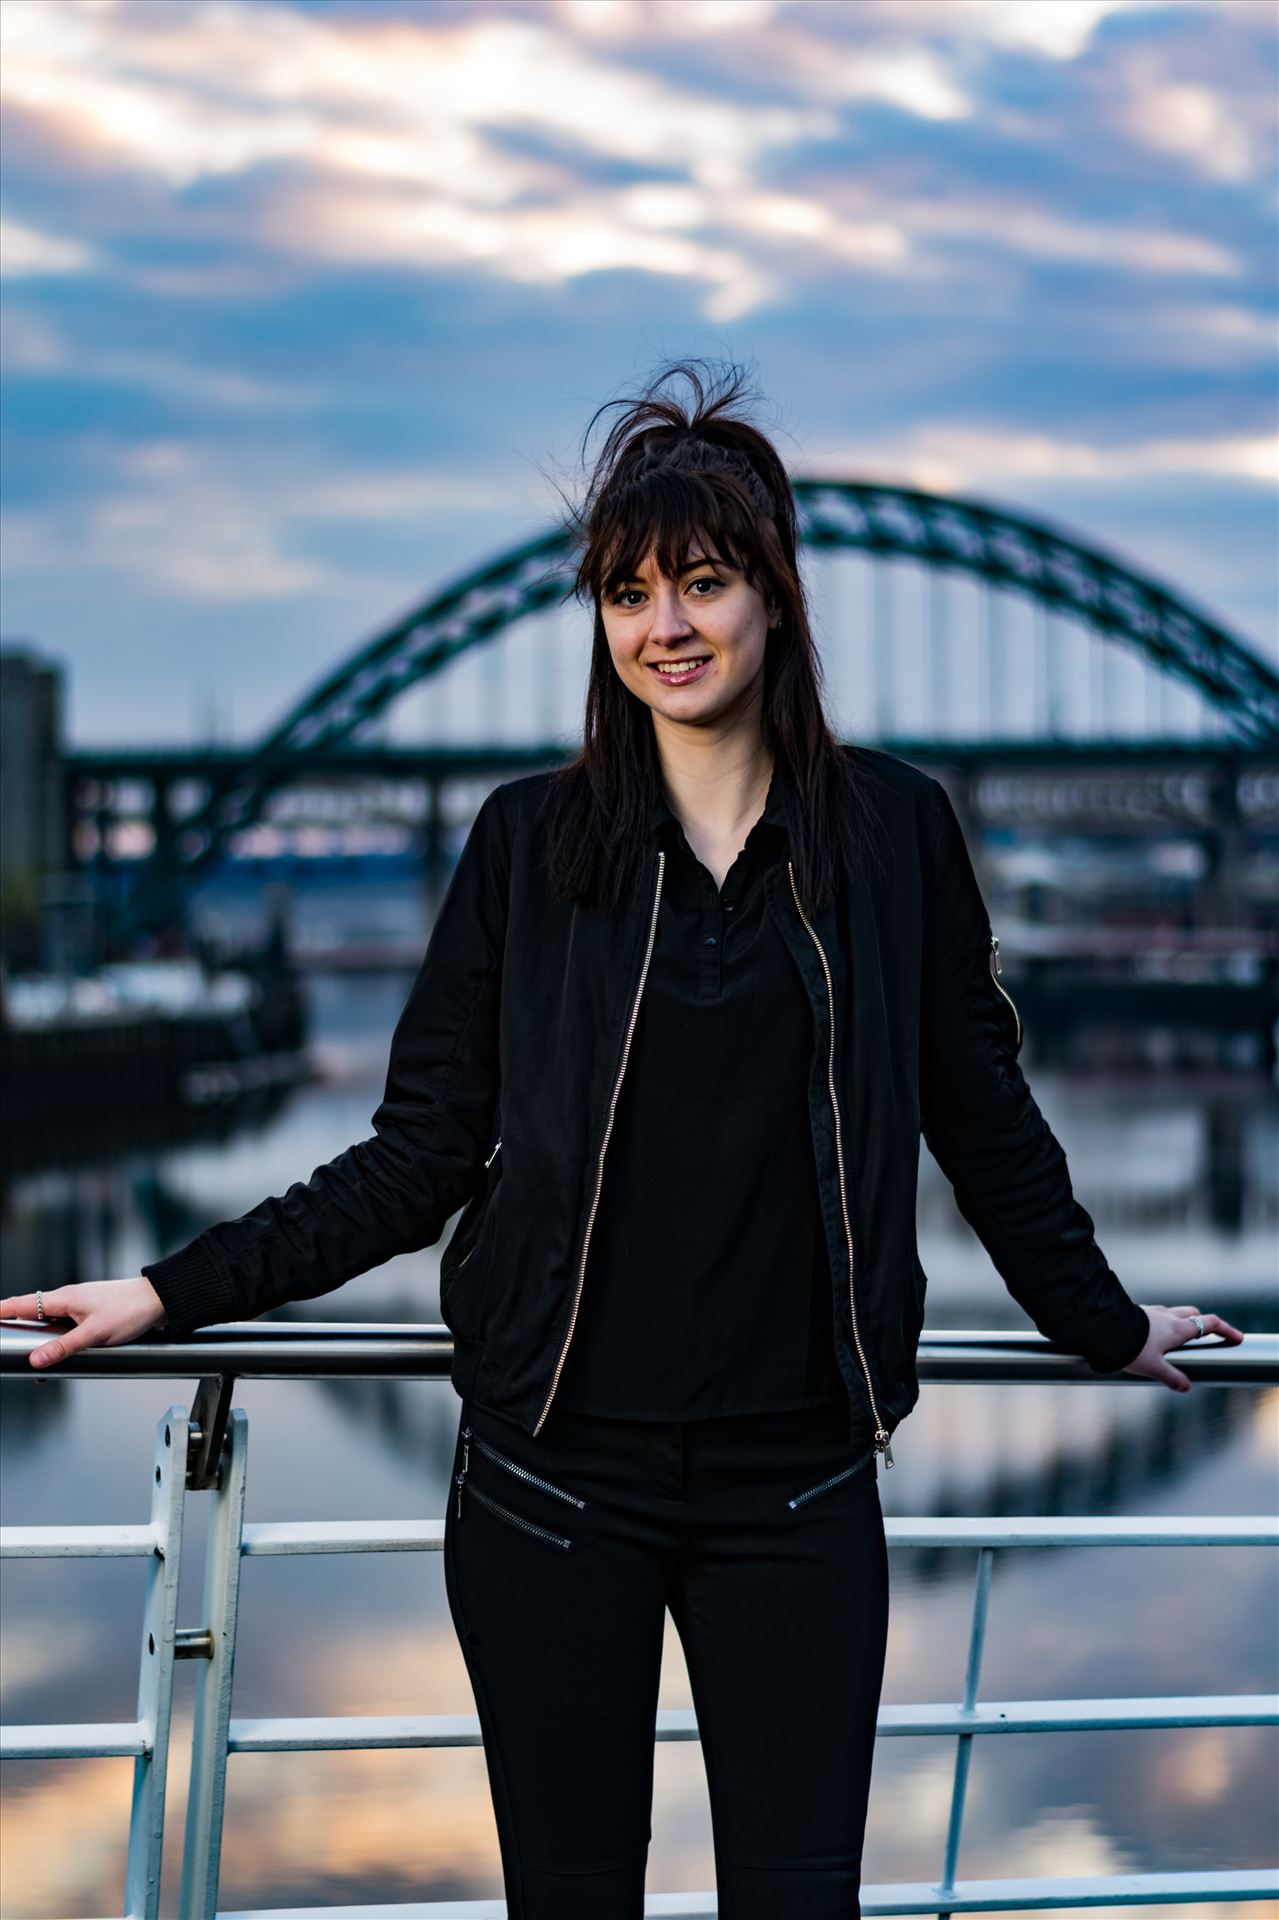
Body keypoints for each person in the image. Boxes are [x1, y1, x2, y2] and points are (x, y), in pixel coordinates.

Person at [0, 359, 1243, 1919]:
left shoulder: (895, 835)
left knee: (801, 1900)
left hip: (797, 1485)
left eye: (705, 583)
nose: (666, 626)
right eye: (627, 593)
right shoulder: (530, 845)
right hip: (550, 1484)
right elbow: (417, 1155)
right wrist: (169, 1292)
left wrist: (1102, 1321)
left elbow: (980, 1110)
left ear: (776, 600)